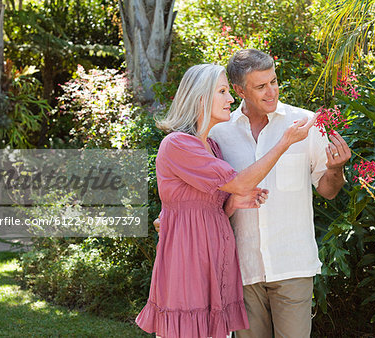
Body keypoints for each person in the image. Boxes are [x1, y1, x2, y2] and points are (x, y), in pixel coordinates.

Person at [136, 63, 318, 338]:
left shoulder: (212, 147)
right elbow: (240, 182)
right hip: (189, 263)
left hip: (216, 264)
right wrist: (284, 142)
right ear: (201, 99)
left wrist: (232, 204)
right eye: (222, 91)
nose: (231, 99)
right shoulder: (178, 144)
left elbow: (212, 204)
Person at [208, 49, 351, 338]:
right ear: (239, 90)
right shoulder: (219, 133)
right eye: (261, 87)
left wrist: (336, 170)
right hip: (242, 268)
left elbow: (328, 191)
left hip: (293, 264)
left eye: (273, 81)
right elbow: (210, 200)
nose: (271, 91)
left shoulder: (306, 124)